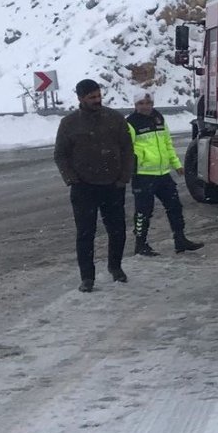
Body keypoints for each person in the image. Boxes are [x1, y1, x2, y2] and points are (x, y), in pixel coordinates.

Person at [54, 79, 134, 292]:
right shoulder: (69, 123)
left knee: (117, 230)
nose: (97, 100)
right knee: (85, 233)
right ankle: (87, 277)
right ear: (80, 98)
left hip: (113, 185)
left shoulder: (115, 119)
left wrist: (123, 178)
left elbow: (127, 149)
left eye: (98, 96)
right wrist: (71, 179)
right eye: (91, 97)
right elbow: (61, 155)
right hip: (83, 188)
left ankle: (115, 267)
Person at [126, 90, 203, 256]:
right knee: (143, 211)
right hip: (143, 174)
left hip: (163, 173)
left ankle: (180, 240)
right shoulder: (131, 123)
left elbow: (167, 143)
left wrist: (176, 164)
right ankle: (141, 244)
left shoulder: (159, 118)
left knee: (175, 206)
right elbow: (126, 148)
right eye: (141, 103)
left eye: (148, 103)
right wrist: (135, 165)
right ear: (135, 105)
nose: (145, 106)